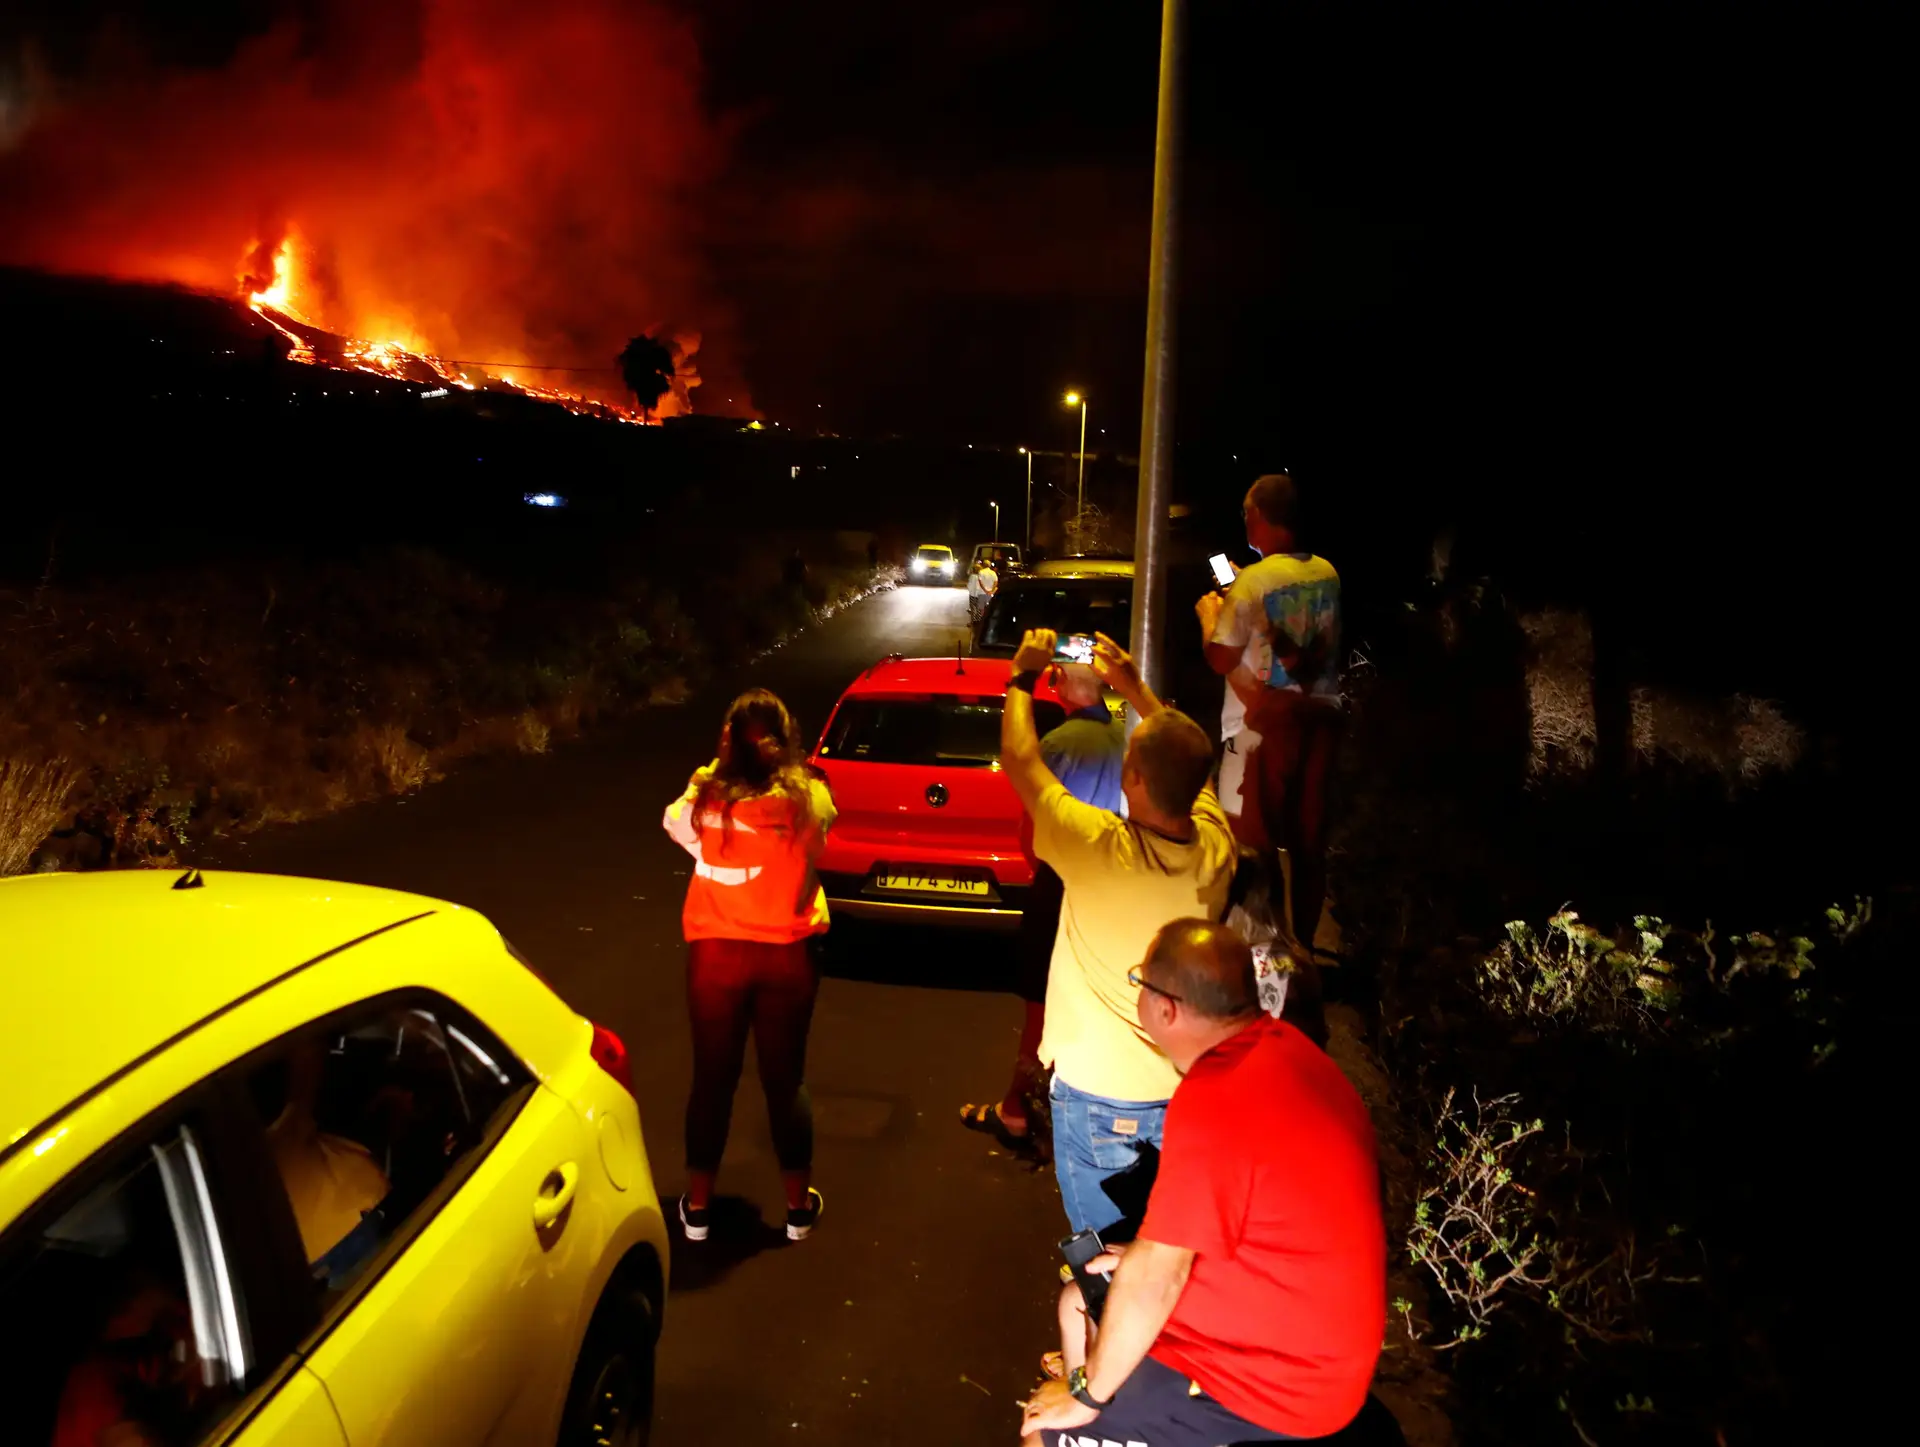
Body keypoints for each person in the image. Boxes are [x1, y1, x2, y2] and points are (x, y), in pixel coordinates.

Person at [1019, 919, 1385, 1447]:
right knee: (1080, 1299)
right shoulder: (1285, 1052)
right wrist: (1144, 1262)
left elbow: (1158, 1275)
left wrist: (1085, 1397)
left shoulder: (1218, 1097)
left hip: (1273, 1388)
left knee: (1041, 1433)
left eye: (1139, 982)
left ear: (1164, 1008)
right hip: (1301, 1337)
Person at [1000, 628, 1236, 1235]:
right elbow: (1193, 765)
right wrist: (1135, 689)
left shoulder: (1096, 848)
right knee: (1164, 1252)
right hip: (1184, 1093)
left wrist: (1022, 677)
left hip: (1100, 1097)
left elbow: (1021, 760)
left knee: (1106, 1267)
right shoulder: (1216, 848)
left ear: (1132, 779)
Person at [663, 688, 836, 1243]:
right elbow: (816, 850)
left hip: (717, 954)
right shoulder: (809, 798)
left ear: (727, 741)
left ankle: (697, 1207)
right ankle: (796, 1210)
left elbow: (677, 827)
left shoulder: (706, 796)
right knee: (785, 1081)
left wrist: (715, 769)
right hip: (786, 955)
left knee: (712, 1079)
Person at [960, 662, 1125, 1149]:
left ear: (1065, 688)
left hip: (1061, 882)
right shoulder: (1126, 739)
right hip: (1111, 881)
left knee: (1041, 1006)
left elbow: (1033, 822)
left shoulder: (1060, 745)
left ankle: (1017, 1110)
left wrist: (1040, 869)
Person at [1196, 471, 1345, 956]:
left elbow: (1220, 657)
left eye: (1246, 512)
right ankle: (1301, 944)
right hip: (1319, 718)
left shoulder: (1252, 586)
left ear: (1258, 516)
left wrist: (1209, 617)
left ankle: (1258, 952)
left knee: (1249, 843)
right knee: (1307, 843)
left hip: (1256, 728)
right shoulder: (1327, 572)